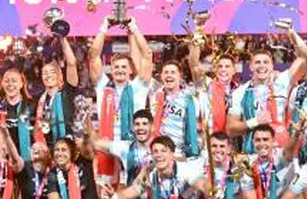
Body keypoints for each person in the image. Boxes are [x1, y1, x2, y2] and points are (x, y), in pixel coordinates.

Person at [89, 17, 152, 186]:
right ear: (111, 69)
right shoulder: (103, 86)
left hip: (133, 148)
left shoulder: (138, 86)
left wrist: (133, 26)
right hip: (106, 146)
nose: (120, 70)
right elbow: (93, 55)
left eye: (124, 67)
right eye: (116, 67)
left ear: (131, 70)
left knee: (133, 195)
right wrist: (104, 27)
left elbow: (147, 55)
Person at [227, 31, 307, 154]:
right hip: (253, 153)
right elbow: (231, 129)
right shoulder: (240, 92)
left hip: (281, 150)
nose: (262, 66)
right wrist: (255, 122)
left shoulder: (283, 81)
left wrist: (292, 34)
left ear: (272, 66)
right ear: (251, 67)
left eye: (266, 62)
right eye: (257, 62)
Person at [149, 60, 202, 161]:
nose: (169, 75)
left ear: (180, 76)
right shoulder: (154, 97)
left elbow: (196, 129)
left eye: (173, 72)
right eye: (166, 72)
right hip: (157, 152)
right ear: (161, 76)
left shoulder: (190, 100)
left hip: (179, 154)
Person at [34, 37, 81, 150]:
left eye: (52, 72)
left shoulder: (68, 93)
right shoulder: (38, 100)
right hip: (47, 150)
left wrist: (63, 38)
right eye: (45, 72)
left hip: (70, 148)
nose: (48, 75)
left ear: (60, 76)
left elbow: (71, 63)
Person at [187, 42, 238, 138]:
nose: (223, 70)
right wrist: (197, 38)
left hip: (231, 141)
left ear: (234, 70)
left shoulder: (240, 91)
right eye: (220, 66)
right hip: (208, 139)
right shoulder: (206, 84)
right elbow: (194, 65)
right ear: (215, 69)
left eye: (227, 66)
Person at [0, 67, 34, 165]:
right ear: (2, 84)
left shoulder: (32, 105)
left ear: (21, 84)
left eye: (14, 81)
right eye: (6, 81)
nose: (10, 84)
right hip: (4, 158)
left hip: (28, 158)